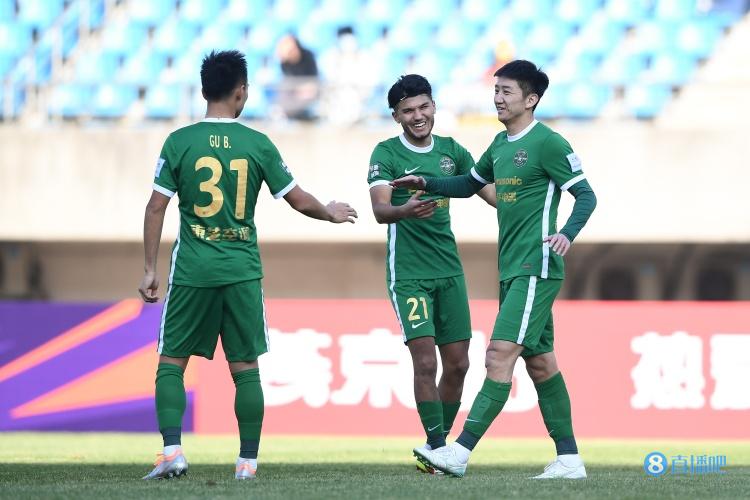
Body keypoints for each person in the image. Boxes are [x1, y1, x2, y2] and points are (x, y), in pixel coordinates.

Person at [138, 50, 357, 481]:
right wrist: (329, 212)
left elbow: (155, 208)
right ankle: (247, 464)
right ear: (242, 91)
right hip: (241, 270)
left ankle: (172, 452)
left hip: (193, 270)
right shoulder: (258, 144)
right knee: (245, 369)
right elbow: (297, 199)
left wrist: (149, 269)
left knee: (171, 363)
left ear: (205, 90)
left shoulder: (179, 142)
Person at [393, 60, 597, 479]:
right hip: (512, 269)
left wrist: (566, 234)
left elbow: (586, 196)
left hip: (536, 266)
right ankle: (569, 459)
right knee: (540, 364)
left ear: (531, 99)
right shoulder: (500, 144)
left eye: (506, 91)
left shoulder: (549, 143)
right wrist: (427, 182)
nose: (498, 98)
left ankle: (459, 452)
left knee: (498, 354)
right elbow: (469, 184)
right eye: (496, 90)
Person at [367, 74, 496, 474]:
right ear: (396, 116)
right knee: (425, 362)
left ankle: (432, 447)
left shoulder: (452, 151)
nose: (418, 115)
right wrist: (404, 210)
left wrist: (526, 201)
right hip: (408, 274)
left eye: (424, 106)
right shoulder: (386, 153)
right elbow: (380, 210)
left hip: (449, 270)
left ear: (434, 106)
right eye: (408, 110)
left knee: (459, 364)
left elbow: (491, 195)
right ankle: (439, 448)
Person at [275, 34, 319, 120]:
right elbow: (288, 82)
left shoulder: (308, 56)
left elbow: (313, 80)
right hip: (294, 92)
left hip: (308, 91)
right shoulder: (285, 63)